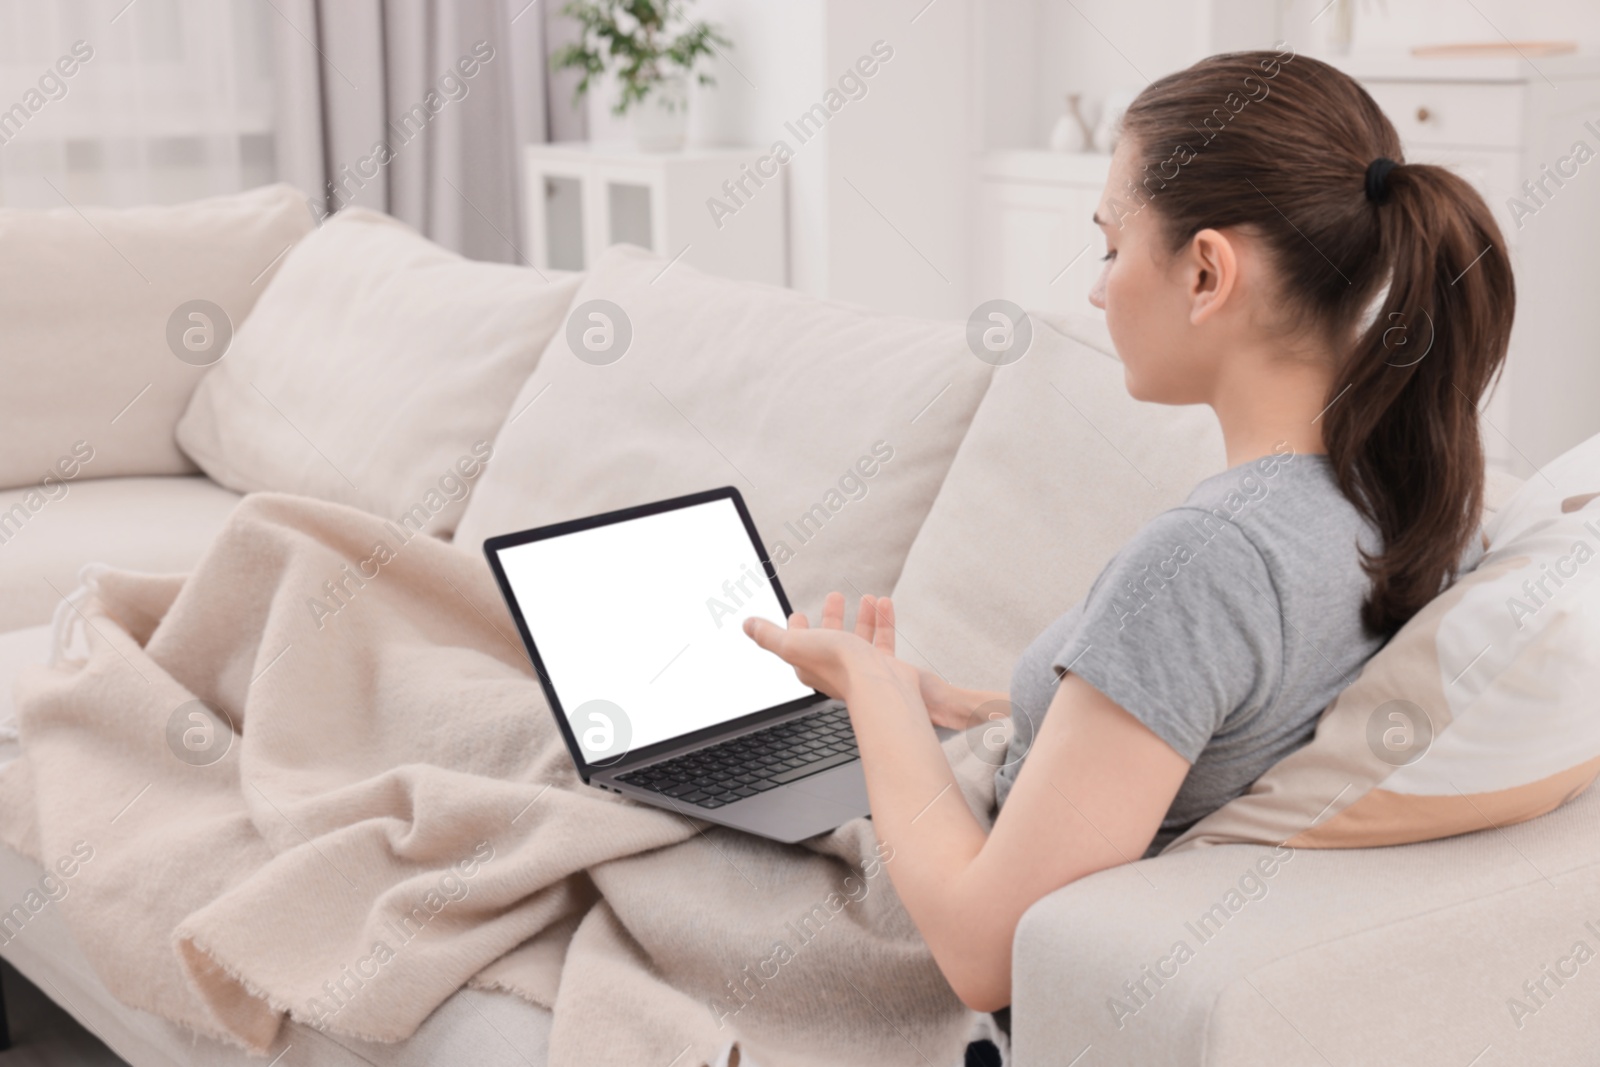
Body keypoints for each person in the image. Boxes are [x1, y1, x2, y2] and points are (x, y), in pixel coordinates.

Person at [742, 48, 1514, 1016]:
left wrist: (868, 690)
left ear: (1204, 272)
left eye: (1109, 245)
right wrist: (966, 705)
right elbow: (1206, 731)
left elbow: (986, 952)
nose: (1098, 291)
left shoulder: (1210, 563)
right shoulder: (1408, 501)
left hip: (933, 953)